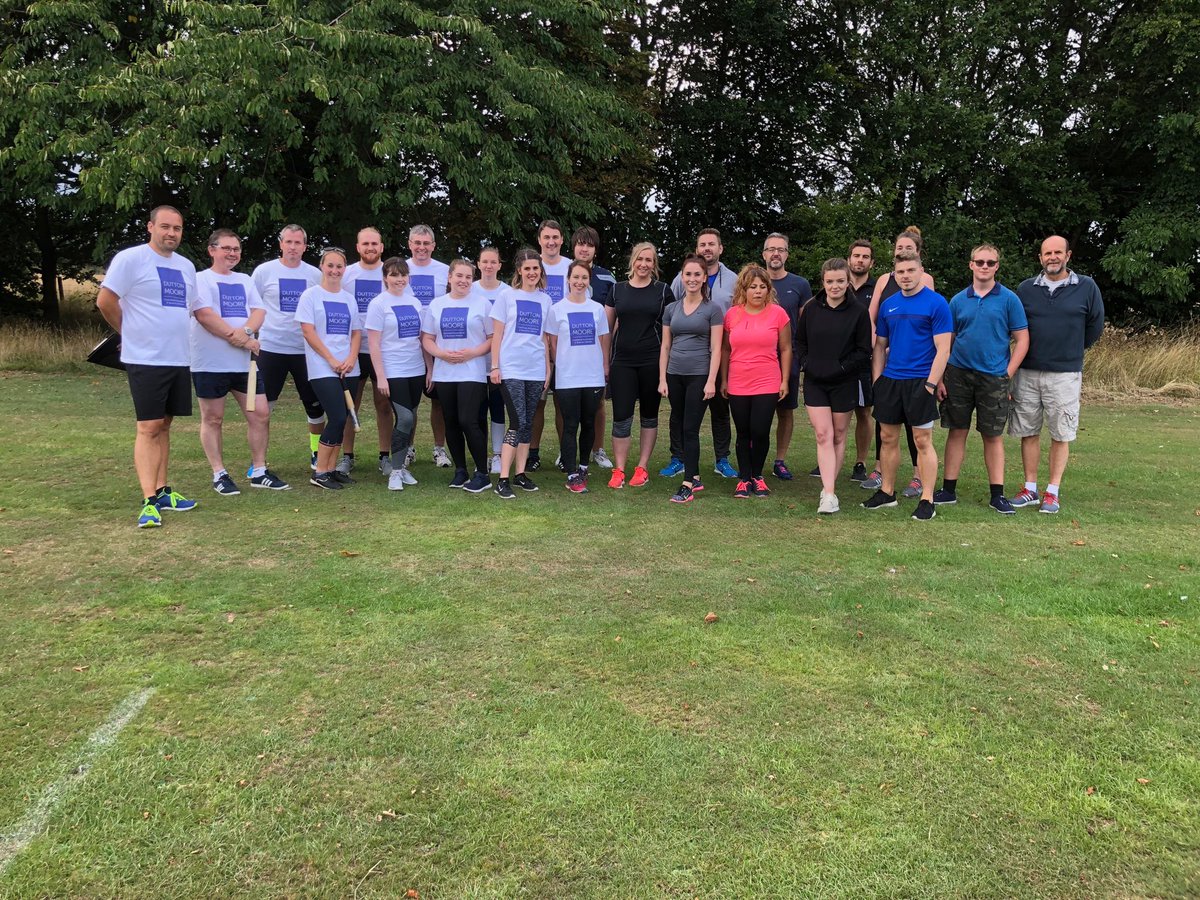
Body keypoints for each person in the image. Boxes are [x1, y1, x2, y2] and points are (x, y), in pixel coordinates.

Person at [95, 205, 200, 527]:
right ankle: (149, 501)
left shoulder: (185, 266)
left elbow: (190, 309)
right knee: (149, 426)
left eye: (177, 228)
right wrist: (128, 333)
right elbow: (105, 300)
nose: (171, 233)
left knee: (165, 424)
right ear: (150, 227)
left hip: (178, 357)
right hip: (146, 358)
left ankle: (163, 490)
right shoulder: (131, 259)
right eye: (165, 226)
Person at [1007, 235, 1105, 514]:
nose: (1053, 257)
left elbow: (1095, 326)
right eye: (1047, 253)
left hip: (1064, 374)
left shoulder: (1086, 286)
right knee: (1028, 431)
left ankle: (1052, 492)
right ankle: (1030, 489)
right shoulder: (1026, 289)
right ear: (1040, 258)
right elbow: (1015, 327)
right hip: (1027, 372)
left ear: (1068, 256)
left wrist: (1070, 349)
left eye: (1058, 252)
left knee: (1061, 433)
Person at [190, 229, 288, 495]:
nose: (232, 253)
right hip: (210, 363)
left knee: (261, 414)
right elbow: (204, 315)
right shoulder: (200, 279)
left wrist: (245, 334)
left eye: (236, 249)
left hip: (244, 365)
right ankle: (219, 474)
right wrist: (242, 340)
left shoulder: (244, 280)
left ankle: (259, 471)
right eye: (227, 248)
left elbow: (259, 311)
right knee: (213, 418)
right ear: (212, 250)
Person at [933, 244, 1029, 513]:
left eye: (990, 262)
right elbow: (946, 343)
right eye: (980, 262)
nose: (984, 267)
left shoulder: (1009, 300)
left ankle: (997, 495)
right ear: (971, 264)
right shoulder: (957, 300)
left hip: (993, 377)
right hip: (958, 374)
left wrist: (1007, 374)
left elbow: (1022, 340)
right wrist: (940, 378)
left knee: (992, 435)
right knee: (957, 431)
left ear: (997, 266)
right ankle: (948, 490)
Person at [862, 250, 952, 520]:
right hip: (891, 382)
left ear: (921, 271)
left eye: (911, 270)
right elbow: (880, 346)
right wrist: (878, 381)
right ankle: (887, 493)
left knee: (922, 440)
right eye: (900, 272)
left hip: (921, 382)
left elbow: (943, 349)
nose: (905, 276)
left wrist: (930, 384)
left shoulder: (937, 303)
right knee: (888, 438)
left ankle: (927, 499)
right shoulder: (889, 304)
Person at [796, 258, 872, 514]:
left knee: (838, 435)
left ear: (848, 281)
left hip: (844, 382)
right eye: (830, 281)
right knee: (823, 435)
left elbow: (863, 350)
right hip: (815, 382)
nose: (835, 286)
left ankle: (829, 488)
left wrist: (840, 368)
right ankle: (829, 495)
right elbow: (799, 343)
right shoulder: (811, 308)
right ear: (823, 282)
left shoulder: (859, 311)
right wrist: (807, 364)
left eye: (840, 281)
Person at [251, 224, 324, 472]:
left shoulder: (315, 274)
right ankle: (258, 462)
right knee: (262, 408)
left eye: (298, 243)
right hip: (270, 349)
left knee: (315, 406)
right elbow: (252, 307)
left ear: (305, 246)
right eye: (288, 242)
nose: (293, 247)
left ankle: (316, 452)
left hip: (306, 351)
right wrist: (250, 337)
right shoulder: (264, 272)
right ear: (281, 244)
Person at [667, 228, 738, 478]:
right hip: (687, 361)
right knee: (680, 414)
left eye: (711, 244)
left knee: (720, 411)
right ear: (697, 249)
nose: (707, 248)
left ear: (720, 248)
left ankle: (722, 459)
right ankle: (678, 458)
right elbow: (675, 309)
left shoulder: (733, 280)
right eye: (703, 244)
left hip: (722, 355)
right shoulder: (682, 278)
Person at [421, 259, 494, 493]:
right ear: (450, 277)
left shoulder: (482, 304)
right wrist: (441, 354)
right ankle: (460, 470)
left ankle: (482, 473)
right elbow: (427, 338)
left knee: (468, 420)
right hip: (445, 373)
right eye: (459, 276)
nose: (464, 281)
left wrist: (472, 353)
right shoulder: (437, 304)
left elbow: (493, 338)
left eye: (468, 277)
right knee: (451, 422)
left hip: (472, 372)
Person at [720, 264, 793, 498]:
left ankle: (757, 476)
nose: (758, 291)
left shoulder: (778, 314)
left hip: (767, 381)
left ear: (769, 289)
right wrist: (724, 380)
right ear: (744, 289)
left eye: (762, 287)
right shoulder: (732, 315)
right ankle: (744, 478)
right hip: (738, 381)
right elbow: (725, 349)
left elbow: (786, 348)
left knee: (760, 431)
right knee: (743, 432)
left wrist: (784, 380)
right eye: (753, 287)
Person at [295, 248, 362, 490]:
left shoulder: (348, 298)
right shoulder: (310, 296)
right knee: (336, 417)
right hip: (323, 367)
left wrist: (351, 358)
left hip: (348, 368)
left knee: (343, 419)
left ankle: (332, 469)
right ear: (322, 267)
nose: (334, 270)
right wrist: (331, 359)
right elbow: (308, 331)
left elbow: (356, 332)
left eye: (339, 266)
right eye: (330, 265)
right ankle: (320, 471)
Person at [606, 242, 672, 488]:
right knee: (621, 417)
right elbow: (607, 330)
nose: (644, 264)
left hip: (652, 361)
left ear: (654, 264)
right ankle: (619, 469)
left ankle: (642, 467)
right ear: (632, 261)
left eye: (649, 260)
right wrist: (606, 363)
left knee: (649, 416)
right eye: (640, 259)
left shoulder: (663, 291)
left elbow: (670, 330)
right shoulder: (617, 290)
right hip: (622, 362)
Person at [658, 255, 723, 504]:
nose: (692, 279)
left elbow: (716, 348)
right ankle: (694, 475)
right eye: (688, 274)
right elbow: (665, 346)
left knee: (690, 428)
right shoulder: (671, 309)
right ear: (682, 277)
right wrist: (662, 378)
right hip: (675, 375)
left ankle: (688, 483)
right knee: (679, 422)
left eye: (697, 274)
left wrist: (711, 380)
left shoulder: (713, 310)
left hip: (699, 375)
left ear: (704, 277)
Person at [490, 249, 552, 499]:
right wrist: (495, 366)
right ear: (519, 270)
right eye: (527, 268)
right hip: (511, 368)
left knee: (528, 424)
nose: (532, 272)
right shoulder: (507, 296)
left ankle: (520, 474)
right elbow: (497, 334)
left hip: (535, 369)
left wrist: (547, 368)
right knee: (517, 422)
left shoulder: (545, 300)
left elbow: (544, 337)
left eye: (536, 268)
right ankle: (503, 479)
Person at [546, 261, 611, 493]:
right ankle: (571, 472)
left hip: (592, 376)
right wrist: (562, 365)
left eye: (584, 278)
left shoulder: (597, 309)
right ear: (568, 279)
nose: (579, 282)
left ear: (589, 280)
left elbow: (603, 341)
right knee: (570, 424)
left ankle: (583, 466)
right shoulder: (557, 309)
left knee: (589, 423)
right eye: (576, 277)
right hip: (568, 377)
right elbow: (553, 344)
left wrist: (604, 366)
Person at [365, 257, 427, 491]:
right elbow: (373, 344)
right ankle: (395, 471)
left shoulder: (415, 302)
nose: (399, 279)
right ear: (385, 278)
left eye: (403, 275)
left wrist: (430, 369)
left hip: (416, 368)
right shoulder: (378, 304)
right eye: (394, 275)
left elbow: (421, 338)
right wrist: (381, 376)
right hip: (393, 369)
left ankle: (401, 467)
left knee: (411, 417)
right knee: (405, 418)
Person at [338, 226, 391, 477]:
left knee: (384, 404)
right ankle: (347, 457)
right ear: (358, 247)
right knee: (351, 404)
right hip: (353, 350)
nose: (370, 248)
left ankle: (385, 456)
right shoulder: (346, 274)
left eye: (374, 243)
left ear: (381, 247)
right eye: (365, 244)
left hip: (383, 349)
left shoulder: (391, 273)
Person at [760, 233, 812, 481]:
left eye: (780, 250)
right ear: (764, 254)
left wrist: (803, 356)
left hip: (788, 358)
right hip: (757, 359)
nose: (775, 254)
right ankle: (754, 459)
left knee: (785, 411)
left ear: (787, 254)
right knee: (757, 413)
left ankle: (779, 460)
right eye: (771, 249)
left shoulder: (800, 284)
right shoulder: (754, 281)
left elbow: (805, 323)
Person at [405, 224, 452, 468]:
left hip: (438, 344)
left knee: (439, 401)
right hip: (407, 345)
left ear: (433, 245)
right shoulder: (401, 269)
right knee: (410, 402)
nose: (421, 247)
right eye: (417, 243)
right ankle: (408, 448)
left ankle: (439, 449)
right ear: (410, 244)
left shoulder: (445, 271)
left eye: (426, 243)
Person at [527, 220, 572, 471]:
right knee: (537, 403)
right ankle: (532, 454)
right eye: (546, 237)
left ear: (562, 239)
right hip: (536, 347)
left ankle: (565, 454)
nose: (551, 242)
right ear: (539, 240)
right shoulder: (532, 266)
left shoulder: (570, 267)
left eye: (555, 237)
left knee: (563, 404)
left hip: (565, 347)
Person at [569, 225, 615, 469]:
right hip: (569, 353)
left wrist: (607, 351)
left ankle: (598, 449)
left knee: (598, 404)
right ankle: (566, 451)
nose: (584, 248)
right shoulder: (566, 274)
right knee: (565, 404)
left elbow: (615, 315)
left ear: (595, 249)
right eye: (580, 244)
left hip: (597, 352)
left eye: (589, 245)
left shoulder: (607, 277)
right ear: (574, 247)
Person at [473, 246, 509, 474]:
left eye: (493, 262)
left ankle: (497, 454)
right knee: (477, 412)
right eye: (484, 261)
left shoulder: (507, 292)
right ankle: (481, 454)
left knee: (497, 409)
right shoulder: (470, 289)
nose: (488, 266)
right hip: (475, 362)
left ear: (499, 265)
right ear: (478, 264)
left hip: (499, 363)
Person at [846, 239, 877, 482]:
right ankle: (828, 459)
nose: (860, 260)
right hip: (838, 359)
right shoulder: (837, 284)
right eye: (856, 256)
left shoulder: (877, 289)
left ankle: (860, 462)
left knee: (864, 412)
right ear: (849, 259)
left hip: (866, 360)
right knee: (835, 412)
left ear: (871, 262)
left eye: (865, 257)